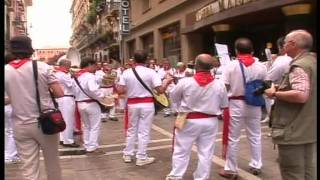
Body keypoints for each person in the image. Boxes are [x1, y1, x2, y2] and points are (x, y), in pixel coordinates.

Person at [5, 35, 64, 180]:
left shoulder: (5, 69)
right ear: (30, 50)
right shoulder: (43, 67)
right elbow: (59, 93)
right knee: (52, 164)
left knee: (29, 168)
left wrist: (16, 97)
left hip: (20, 125)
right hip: (45, 123)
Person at [166, 54, 228, 180]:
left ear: (195, 65)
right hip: (210, 121)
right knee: (206, 152)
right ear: (211, 67)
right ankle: (202, 177)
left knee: (181, 150)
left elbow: (173, 98)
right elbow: (224, 105)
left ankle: (176, 176)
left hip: (187, 119)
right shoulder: (219, 84)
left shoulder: (185, 82)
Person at [264, 30, 316, 180]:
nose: (283, 46)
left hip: (293, 129)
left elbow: (301, 95)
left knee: (293, 173)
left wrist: (274, 93)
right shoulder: (312, 62)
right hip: (308, 128)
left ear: (292, 44)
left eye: (285, 43)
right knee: (309, 171)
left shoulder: (299, 66)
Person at [219, 38, 267, 179]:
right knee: (255, 135)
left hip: (236, 104)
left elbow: (224, 87)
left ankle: (231, 169)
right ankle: (256, 164)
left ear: (236, 50)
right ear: (252, 50)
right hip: (254, 103)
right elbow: (265, 84)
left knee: (233, 137)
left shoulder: (230, 66)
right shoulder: (261, 66)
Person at [116, 50, 173, 166]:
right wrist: (167, 82)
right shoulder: (151, 72)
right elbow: (160, 90)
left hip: (132, 103)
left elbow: (120, 90)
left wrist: (131, 89)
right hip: (147, 104)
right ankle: (141, 157)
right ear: (146, 59)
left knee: (131, 130)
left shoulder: (126, 72)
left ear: (134, 60)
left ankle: (128, 154)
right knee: (144, 131)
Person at [73, 57, 106, 154]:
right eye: (94, 65)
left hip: (80, 103)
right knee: (95, 126)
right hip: (90, 103)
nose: (95, 68)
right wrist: (103, 96)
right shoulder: (89, 76)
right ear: (89, 65)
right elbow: (93, 89)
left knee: (86, 126)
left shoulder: (77, 76)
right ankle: (92, 147)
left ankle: (87, 145)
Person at [261, 37, 292, 123]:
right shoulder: (309, 58)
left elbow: (269, 78)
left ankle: (271, 117)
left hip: (286, 95)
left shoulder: (281, 61)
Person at [54, 59, 80, 147]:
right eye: (69, 65)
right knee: (68, 120)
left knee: (63, 119)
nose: (70, 67)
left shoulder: (57, 73)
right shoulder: (63, 75)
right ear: (65, 65)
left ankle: (62, 138)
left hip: (61, 98)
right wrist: (73, 77)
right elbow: (71, 85)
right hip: (67, 98)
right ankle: (68, 141)